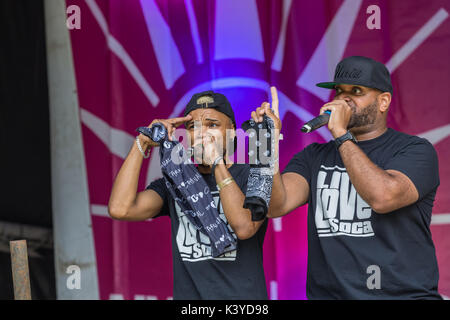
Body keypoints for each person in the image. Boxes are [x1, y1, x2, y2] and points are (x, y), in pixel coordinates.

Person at [253, 56, 441, 299]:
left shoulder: (415, 150)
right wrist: (264, 143)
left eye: (356, 91)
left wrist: (341, 134)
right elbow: (275, 205)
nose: (344, 99)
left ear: (383, 101)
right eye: (339, 92)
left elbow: (383, 197)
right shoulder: (314, 156)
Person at [108, 90, 268, 300]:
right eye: (193, 127)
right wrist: (142, 143)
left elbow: (245, 227)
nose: (202, 134)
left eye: (212, 125)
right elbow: (120, 208)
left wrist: (216, 164)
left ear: (231, 132)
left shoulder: (255, 175)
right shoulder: (176, 182)